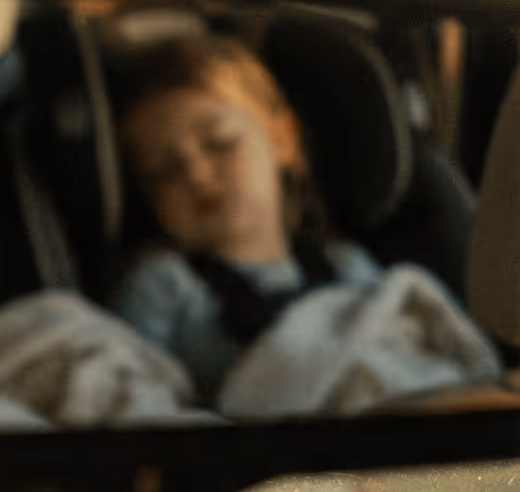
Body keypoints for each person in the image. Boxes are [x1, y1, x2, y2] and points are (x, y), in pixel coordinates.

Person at [111, 32, 457, 404]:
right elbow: (130, 393)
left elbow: (393, 344)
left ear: (282, 139)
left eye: (219, 144)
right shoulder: (163, 284)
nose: (196, 175)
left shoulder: (346, 265)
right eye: (165, 171)